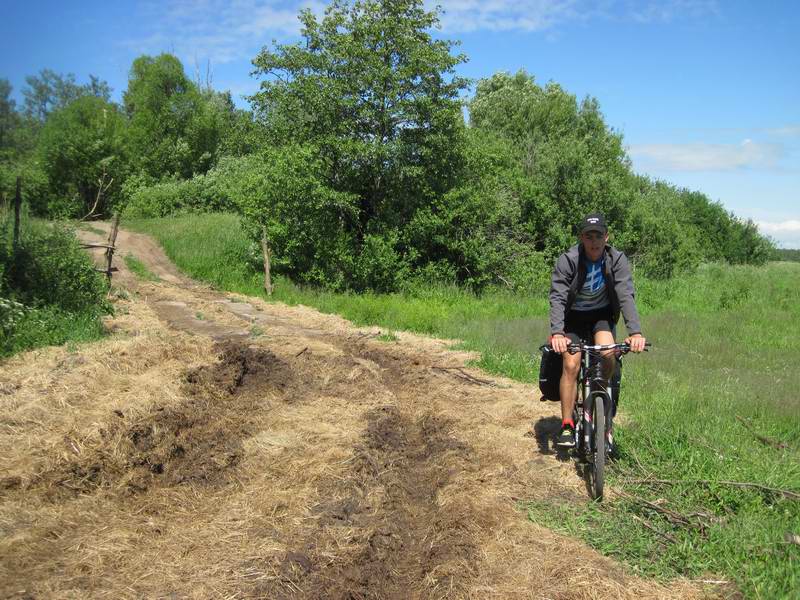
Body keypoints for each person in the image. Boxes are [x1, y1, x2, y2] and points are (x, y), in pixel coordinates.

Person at [548, 212, 646, 447]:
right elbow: (558, 296)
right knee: (571, 364)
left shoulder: (616, 259)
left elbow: (625, 294)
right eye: (589, 236)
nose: (594, 241)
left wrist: (635, 332)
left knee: (608, 354)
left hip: (601, 315)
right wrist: (558, 332)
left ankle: (598, 406)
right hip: (573, 318)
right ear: (582, 237)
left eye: (598, 236)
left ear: (606, 236)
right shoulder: (569, 259)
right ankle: (567, 424)